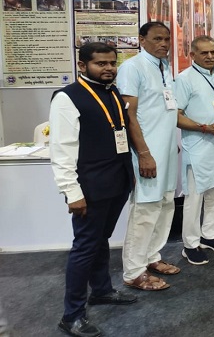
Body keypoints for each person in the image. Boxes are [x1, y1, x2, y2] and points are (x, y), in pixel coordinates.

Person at [50, 43, 137, 337]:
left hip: (117, 180)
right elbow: (61, 149)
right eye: (101, 63)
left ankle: (101, 291)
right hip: (89, 186)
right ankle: (72, 315)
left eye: (112, 63)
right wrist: (71, 192)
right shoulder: (67, 97)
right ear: (82, 65)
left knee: (101, 240)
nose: (108, 68)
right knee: (85, 247)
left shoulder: (112, 92)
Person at [118, 21, 180, 291]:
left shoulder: (164, 66)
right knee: (145, 209)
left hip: (166, 150)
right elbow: (129, 115)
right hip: (147, 153)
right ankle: (133, 271)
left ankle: (151, 256)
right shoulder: (132, 67)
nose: (163, 43)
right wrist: (143, 153)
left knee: (165, 204)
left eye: (166, 39)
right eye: (157, 38)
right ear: (141, 39)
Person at [175, 36, 214, 265]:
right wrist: (204, 127)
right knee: (195, 197)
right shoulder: (184, 79)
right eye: (204, 53)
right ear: (192, 55)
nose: (210, 56)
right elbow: (176, 116)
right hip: (198, 145)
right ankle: (190, 244)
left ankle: (209, 235)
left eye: (213, 52)